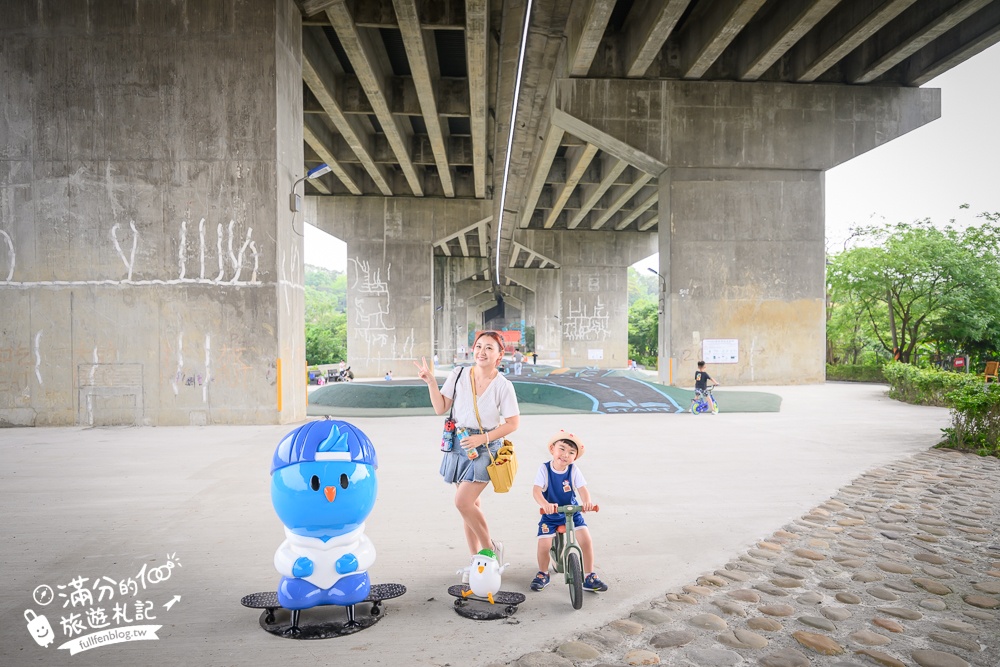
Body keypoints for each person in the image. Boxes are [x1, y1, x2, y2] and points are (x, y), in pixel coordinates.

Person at [414, 331, 520, 580]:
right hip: (459, 445)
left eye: (489, 348)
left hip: (486, 447)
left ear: (499, 355)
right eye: (479, 346)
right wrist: (431, 381)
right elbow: (441, 408)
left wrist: (483, 438)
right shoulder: (459, 374)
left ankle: (491, 550)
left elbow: (513, 424)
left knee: (462, 502)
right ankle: (477, 561)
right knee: (470, 506)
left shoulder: (503, 385)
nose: (482, 352)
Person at [530, 430, 607, 592]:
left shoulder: (573, 470)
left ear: (575, 457)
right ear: (552, 449)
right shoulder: (545, 469)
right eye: (562, 449)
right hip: (550, 515)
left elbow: (582, 489)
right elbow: (536, 491)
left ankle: (589, 575)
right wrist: (545, 504)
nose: (566, 455)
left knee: (586, 541)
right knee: (544, 544)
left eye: (571, 452)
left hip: (571, 513)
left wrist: (586, 502)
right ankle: (543, 573)